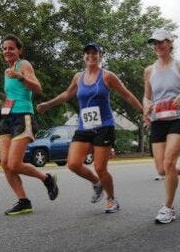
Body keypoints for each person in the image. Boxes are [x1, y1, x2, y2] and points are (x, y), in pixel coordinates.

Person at [37, 42, 143, 213]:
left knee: (100, 167)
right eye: (87, 53)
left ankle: (111, 199)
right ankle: (97, 183)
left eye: (95, 53)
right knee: (72, 164)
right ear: (83, 56)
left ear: (101, 56)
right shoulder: (78, 77)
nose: (91, 56)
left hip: (104, 126)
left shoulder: (108, 76)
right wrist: (48, 104)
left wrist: (142, 111)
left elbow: (126, 94)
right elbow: (66, 94)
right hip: (84, 127)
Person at [0, 34, 58, 215]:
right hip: (8, 117)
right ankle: (23, 201)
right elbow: (11, 98)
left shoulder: (23, 65)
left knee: (14, 164)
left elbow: (37, 88)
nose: (7, 51)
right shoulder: (6, 71)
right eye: (4, 48)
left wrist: (20, 76)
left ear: (19, 50)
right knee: (5, 164)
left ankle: (47, 178)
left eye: (11, 48)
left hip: (23, 117)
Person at [143, 29, 180, 224]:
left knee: (168, 163)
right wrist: (146, 108)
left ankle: (168, 208)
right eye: (155, 43)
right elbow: (147, 96)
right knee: (161, 169)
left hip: (179, 118)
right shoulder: (149, 71)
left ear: (170, 43)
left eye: (161, 42)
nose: (158, 46)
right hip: (159, 119)